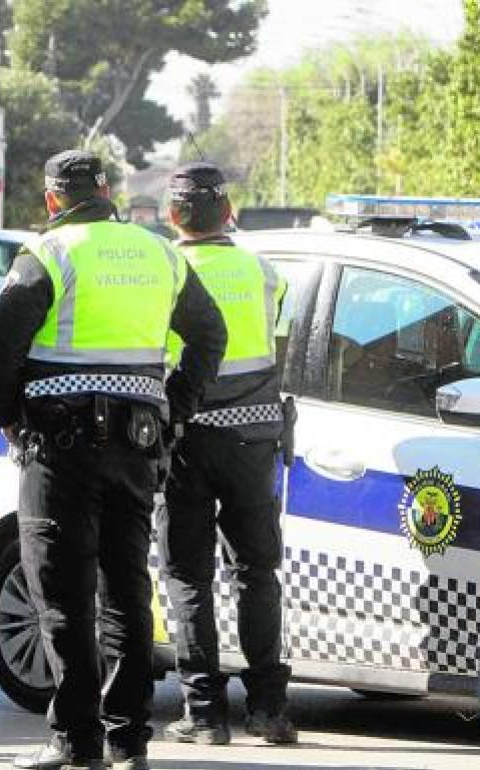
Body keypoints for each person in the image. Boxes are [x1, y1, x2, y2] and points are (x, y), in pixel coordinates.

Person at [0, 150, 227, 770]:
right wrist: (173, 406)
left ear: (52, 200)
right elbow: (210, 333)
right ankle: (128, 742)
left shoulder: (49, 253)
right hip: (138, 444)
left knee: (62, 595)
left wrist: (8, 415)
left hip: (60, 448)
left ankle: (76, 741)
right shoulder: (158, 253)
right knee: (126, 591)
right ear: (107, 191)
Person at [157, 162, 297, 746]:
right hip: (254, 441)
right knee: (256, 573)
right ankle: (268, 710)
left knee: (188, 575)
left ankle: (205, 716)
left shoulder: (165, 270)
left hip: (186, 441)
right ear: (229, 211)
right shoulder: (264, 273)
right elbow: (278, 357)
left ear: (171, 217)